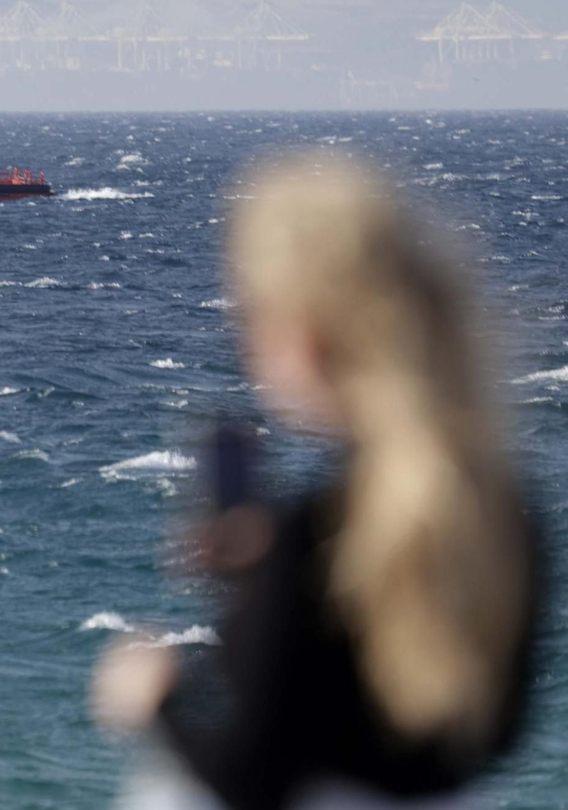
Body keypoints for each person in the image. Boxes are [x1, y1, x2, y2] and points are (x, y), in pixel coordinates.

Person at [91, 154, 541, 810]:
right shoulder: (505, 519)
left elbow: (248, 772)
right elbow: (489, 735)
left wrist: (157, 696)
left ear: (304, 339)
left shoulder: (307, 544)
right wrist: (264, 577)